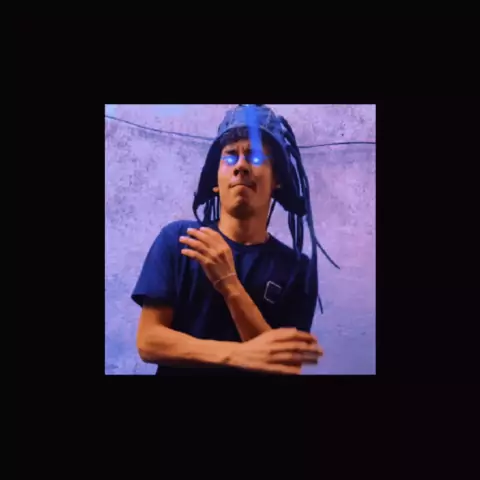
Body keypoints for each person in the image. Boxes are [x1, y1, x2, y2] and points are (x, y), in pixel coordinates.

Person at [132, 105, 338, 375]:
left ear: (276, 179)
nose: (240, 165)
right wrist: (238, 354)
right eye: (230, 156)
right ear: (215, 180)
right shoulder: (180, 240)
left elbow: (286, 367)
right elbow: (148, 341)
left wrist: (229, 284)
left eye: (255, 156)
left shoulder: (297, 270)